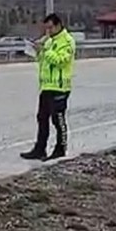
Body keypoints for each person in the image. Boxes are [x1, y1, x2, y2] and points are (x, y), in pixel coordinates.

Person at [20, 13, 76, 161]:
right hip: (46, 86)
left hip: (60, 87)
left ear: (58, 25)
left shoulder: (67, 41)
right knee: (42, 118)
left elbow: (61, 60)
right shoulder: (49, 41)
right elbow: (44, 61)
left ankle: (60, 149)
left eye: (50, 28)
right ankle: (40, 149)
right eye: (46, 28)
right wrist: (37, 51)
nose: (48, 31)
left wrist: (45, 50)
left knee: (58, 120)